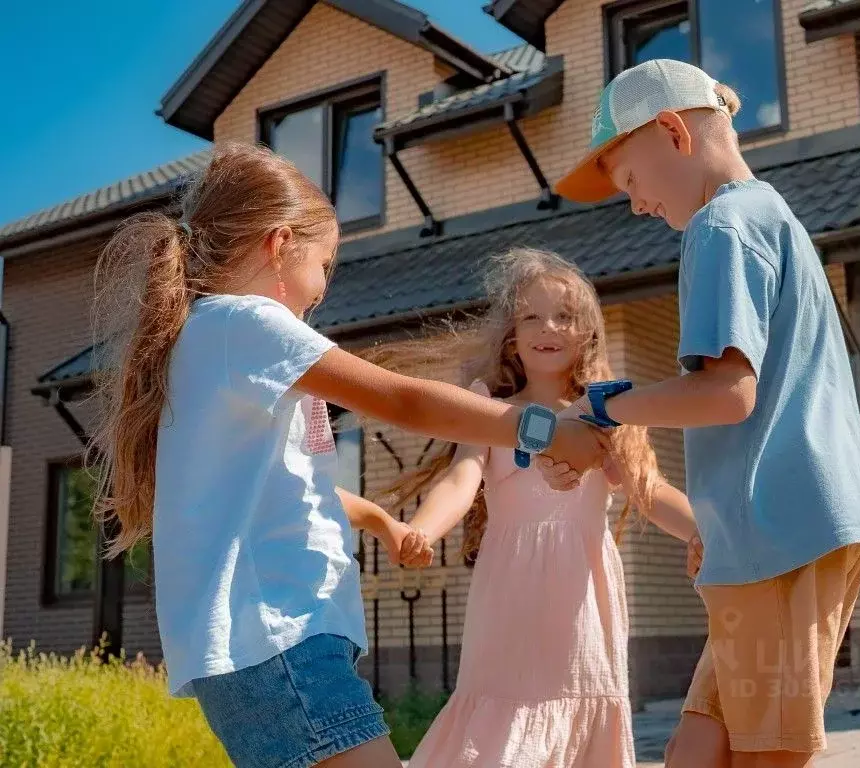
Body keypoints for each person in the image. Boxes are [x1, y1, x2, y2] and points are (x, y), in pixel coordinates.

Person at [88, 142, 601, 768]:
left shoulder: (217, 340)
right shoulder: (245, 323)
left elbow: (286, 487)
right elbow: (405, 402)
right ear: (279, 245)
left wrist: (380, 519)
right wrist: (544, 430)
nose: (325, 289)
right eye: (326, 264)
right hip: (279, 639)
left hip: (271, 647)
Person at [548, 59, 860, 768]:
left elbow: (727, 394)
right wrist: (719, 524)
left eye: (632, 183)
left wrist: (608, 410)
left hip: (781, 532)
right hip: (777, 527)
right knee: (696, 747)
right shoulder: (768, 215)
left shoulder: (719, 226)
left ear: (672, 131)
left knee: (766, 753)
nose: (637, 205)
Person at [371, 248, 700, 767]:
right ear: (511, 335)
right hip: (510, 589)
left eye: (565, 316)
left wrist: (705, 534)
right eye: (531, 315)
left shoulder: (608, 408)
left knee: (579, 694)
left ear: (589, 331)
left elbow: (648, 490)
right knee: (502, 717)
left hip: (581, 593)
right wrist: (423, 530)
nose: (548, 327)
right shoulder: (492, 407)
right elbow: (463, 477)